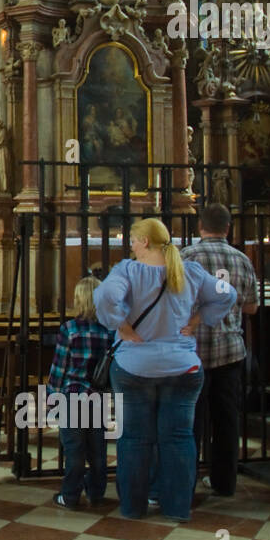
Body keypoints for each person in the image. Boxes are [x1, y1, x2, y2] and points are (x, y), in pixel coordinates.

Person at [94, 218, 236, 522]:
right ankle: (177, 508)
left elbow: (105, 296)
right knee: (179, 438)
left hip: (135, 367)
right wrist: (197, 321)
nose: (130, 245)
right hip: (182, 368)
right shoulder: (190, 271)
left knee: (133, 438)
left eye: (132, 239)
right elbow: (228, 294)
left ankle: (133, 508)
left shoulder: (127, 271)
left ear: (144, 242)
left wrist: (120, 323)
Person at [181, 204, 259, 497]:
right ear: (228, 228)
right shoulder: (241, 259)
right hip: (230, 351)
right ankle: (224, 483)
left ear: (199, 226)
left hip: (193, 351)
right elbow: (252, 305)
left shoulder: (187, 256)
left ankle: (185, 484)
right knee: (227, 420)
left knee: (190, 422)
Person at [48, 276, 114, 509]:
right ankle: (96, 492)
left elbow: (59, 367)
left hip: (73, 395)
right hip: (97, 395)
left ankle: (70, 494)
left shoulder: (69, 329)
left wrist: (52, 396)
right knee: (97, 448)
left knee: (74, 449)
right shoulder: (109, 329)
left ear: (78, 300)